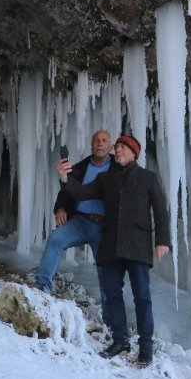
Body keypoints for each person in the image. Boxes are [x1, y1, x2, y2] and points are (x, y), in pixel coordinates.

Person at [58, 135, 170, 367]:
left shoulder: (148, 178)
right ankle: (120, 341)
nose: (117, 150)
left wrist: (162, 241)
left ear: (134, 153)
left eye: (122, 147)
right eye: (116, 147)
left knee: (142, 297)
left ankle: (146, 347)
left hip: (137, 244)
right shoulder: (104, 178)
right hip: (111, 243)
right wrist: (64, 178)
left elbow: (160, 210)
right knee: (112, 295)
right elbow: (81, 193)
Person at [34, 130, 113, 319]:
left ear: (111, 146)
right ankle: (41, 288)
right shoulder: (80, 167)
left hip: (105, 227)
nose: (100, 144)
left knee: (106, 269)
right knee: (55, 238)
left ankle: (111, 317)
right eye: (96, 141)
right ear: (91, 145)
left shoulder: (118, 168)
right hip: (81, 221)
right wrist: (60, 208)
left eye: (104, 141)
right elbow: (66, 190)